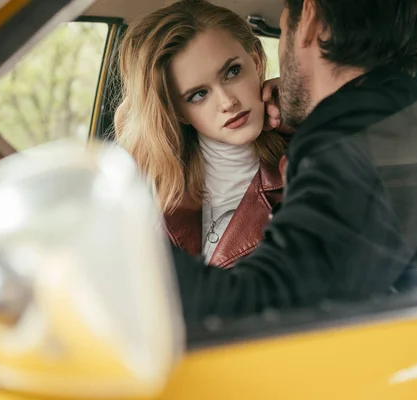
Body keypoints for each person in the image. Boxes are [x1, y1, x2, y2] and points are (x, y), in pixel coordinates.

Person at [176, 0, 417, 322]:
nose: (281, 51)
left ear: (310, 19)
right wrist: (312, 112)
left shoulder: (344, 140)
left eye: (283, 31)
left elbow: (259, 305)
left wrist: (136, 260)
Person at [114, 0, 287, 268]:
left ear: (255, 61)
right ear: (178, 112)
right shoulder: (150, 187)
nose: (227, 101)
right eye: (199, 94)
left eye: (232, 72)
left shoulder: (304, 160)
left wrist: (308, 108)